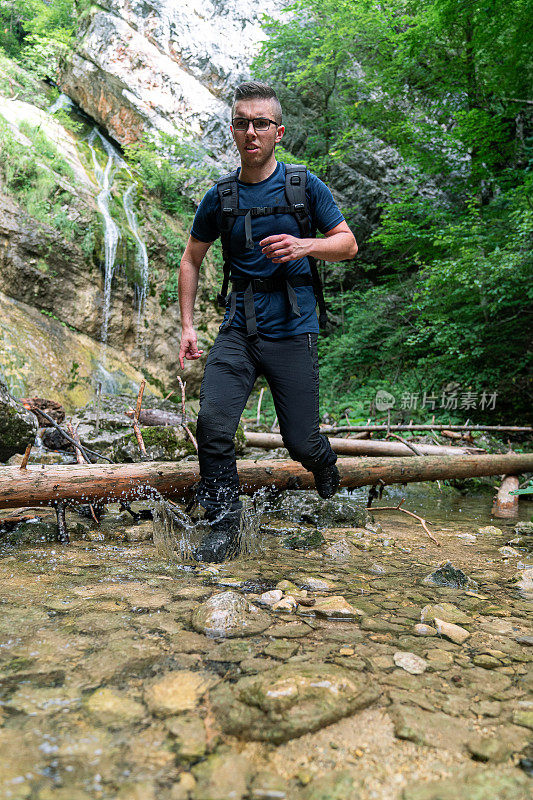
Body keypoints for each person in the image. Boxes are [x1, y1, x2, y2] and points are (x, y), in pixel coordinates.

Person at [178, 80, 358, 562]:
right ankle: (223, 526)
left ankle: (324, 463)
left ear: (278, 131)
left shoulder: (304, 186)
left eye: (261, 123)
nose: (251, 131)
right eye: (242, 123)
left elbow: (348, 244)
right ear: (233, 131)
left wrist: (305, 245)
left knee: (300, 440)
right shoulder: (221, 197)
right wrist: (189, 326)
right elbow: (191, 259)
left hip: (293, 328)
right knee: (213, 426)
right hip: (238, 327)